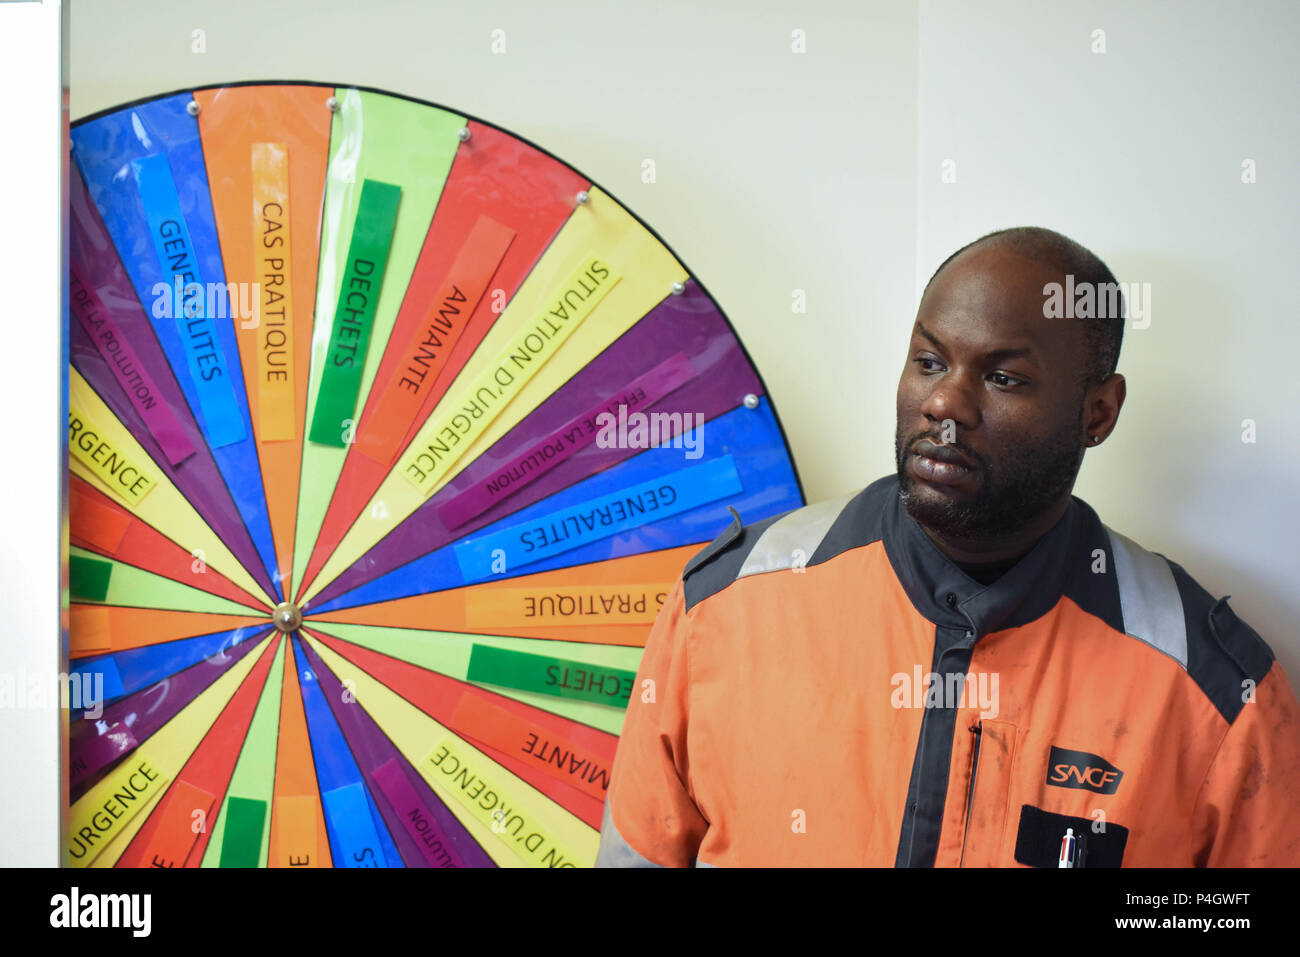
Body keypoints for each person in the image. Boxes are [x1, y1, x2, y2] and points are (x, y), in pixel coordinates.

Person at [595, 226, 1300, 867]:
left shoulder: (1215, 690)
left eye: (1002, 377)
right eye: (930, 360)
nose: (945, 405)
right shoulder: (725, 606)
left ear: (1098, 413)